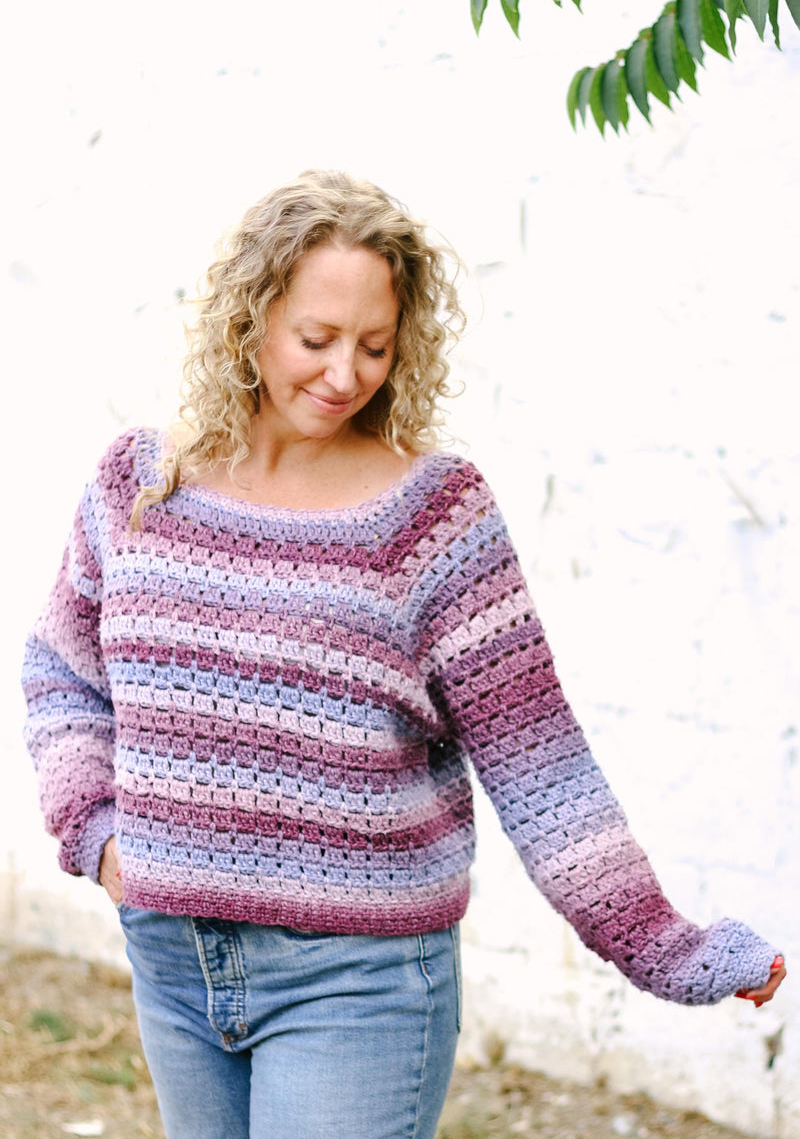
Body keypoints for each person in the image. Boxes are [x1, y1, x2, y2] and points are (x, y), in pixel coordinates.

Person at [22, 170, 785, 1139]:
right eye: (316, 340)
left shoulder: (430, 517)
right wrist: (97, 834)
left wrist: (662, 947)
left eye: (374, 347)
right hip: (174, 961)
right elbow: (62, 674)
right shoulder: (140, 483)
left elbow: (539, 766)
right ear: (247, 320)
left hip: (356, 984)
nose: (345, 375)